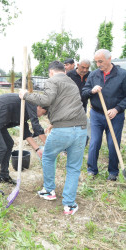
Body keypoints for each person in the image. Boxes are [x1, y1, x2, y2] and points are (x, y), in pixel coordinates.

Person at [20, 61, 87, 215]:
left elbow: (46, 101)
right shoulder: (71, 82)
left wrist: (26, 95)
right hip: (81, 128)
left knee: (48, 157)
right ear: (64, 71)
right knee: (73, 167)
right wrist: (52, 122)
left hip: (63, 130)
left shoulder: (52, 80)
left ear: (51, 72)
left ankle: (49, 190)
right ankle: (69, 204)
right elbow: (64, 105)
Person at [0, 93, 47, 195]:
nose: (41, 115)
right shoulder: (31, 103)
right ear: (39, 106)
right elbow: (36, 126)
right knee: (1, 148)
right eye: (42, 113)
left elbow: (26, 132)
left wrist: (37, 149)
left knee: (9, 143)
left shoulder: (25, 107)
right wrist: (49, 146)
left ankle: (3, 175)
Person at [82, 49, 126, 181]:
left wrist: (117, 109)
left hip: (115, 116)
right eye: (96, 61)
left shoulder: (122, 74)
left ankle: (113, 172)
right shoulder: (94, 75)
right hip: (96, 114)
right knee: (94, 142)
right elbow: (84, 93)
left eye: (100, 61)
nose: (98, 64)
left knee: (113, 144)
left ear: (109, 59)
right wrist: (91, 91)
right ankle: (92, 170)